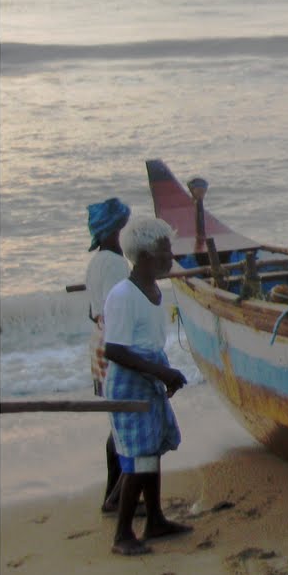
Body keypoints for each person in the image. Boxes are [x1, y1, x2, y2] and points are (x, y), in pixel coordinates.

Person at [102, 216, 192, 556]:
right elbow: (115, 350)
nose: (171, 258)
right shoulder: (123, 295)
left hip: (150, 377)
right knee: (139, 458)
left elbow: (149, 343)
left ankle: (155, 519)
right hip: (129, 384)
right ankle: (123, 533)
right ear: (143, 256)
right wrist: (161, 373)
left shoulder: (153, 291)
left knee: (151, 451)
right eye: (164, 252)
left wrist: (163, 374)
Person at [84, 197, 133, 513]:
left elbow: (93, 312)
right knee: (128, 423)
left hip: (99, 341)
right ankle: (117, 496)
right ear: (115, 229)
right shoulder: (115, 263)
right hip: (114, 343)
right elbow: (118, 312)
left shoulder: (97, 262)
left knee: (118, 423)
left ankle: (113, 493)